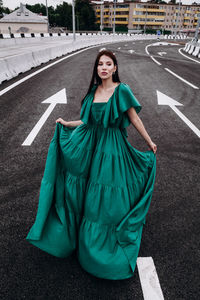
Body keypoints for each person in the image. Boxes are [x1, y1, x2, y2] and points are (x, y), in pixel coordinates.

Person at [26, 49, 157, 280]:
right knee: (82, 192)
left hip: (111, 149)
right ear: (96, 68)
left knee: (104, 198)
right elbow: (87, 120)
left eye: (108, 64)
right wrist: (67, 123)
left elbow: (134, 118)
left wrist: (149, 141)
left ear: (115, 68)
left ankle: (102, 249)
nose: (104, 67)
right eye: (100, 64)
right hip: (89, 144)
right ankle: (79, 239)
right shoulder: (94, 91)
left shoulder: (122, 90)